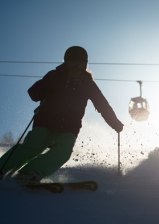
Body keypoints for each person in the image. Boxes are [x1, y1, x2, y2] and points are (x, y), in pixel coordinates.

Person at [0, 46, 124, 181]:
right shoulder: (55, 76)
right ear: (66, 63)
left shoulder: (88, 84)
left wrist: (114, 122)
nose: (76, 65)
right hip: (45, 121)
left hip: (69, 127)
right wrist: (48, 86)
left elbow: (103, 105)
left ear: (85, 65)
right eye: (72, 62)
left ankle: (31, 172)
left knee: (63, 152)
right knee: (34, 145)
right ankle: (2, 167)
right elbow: (33, 93)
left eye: (80, 62)